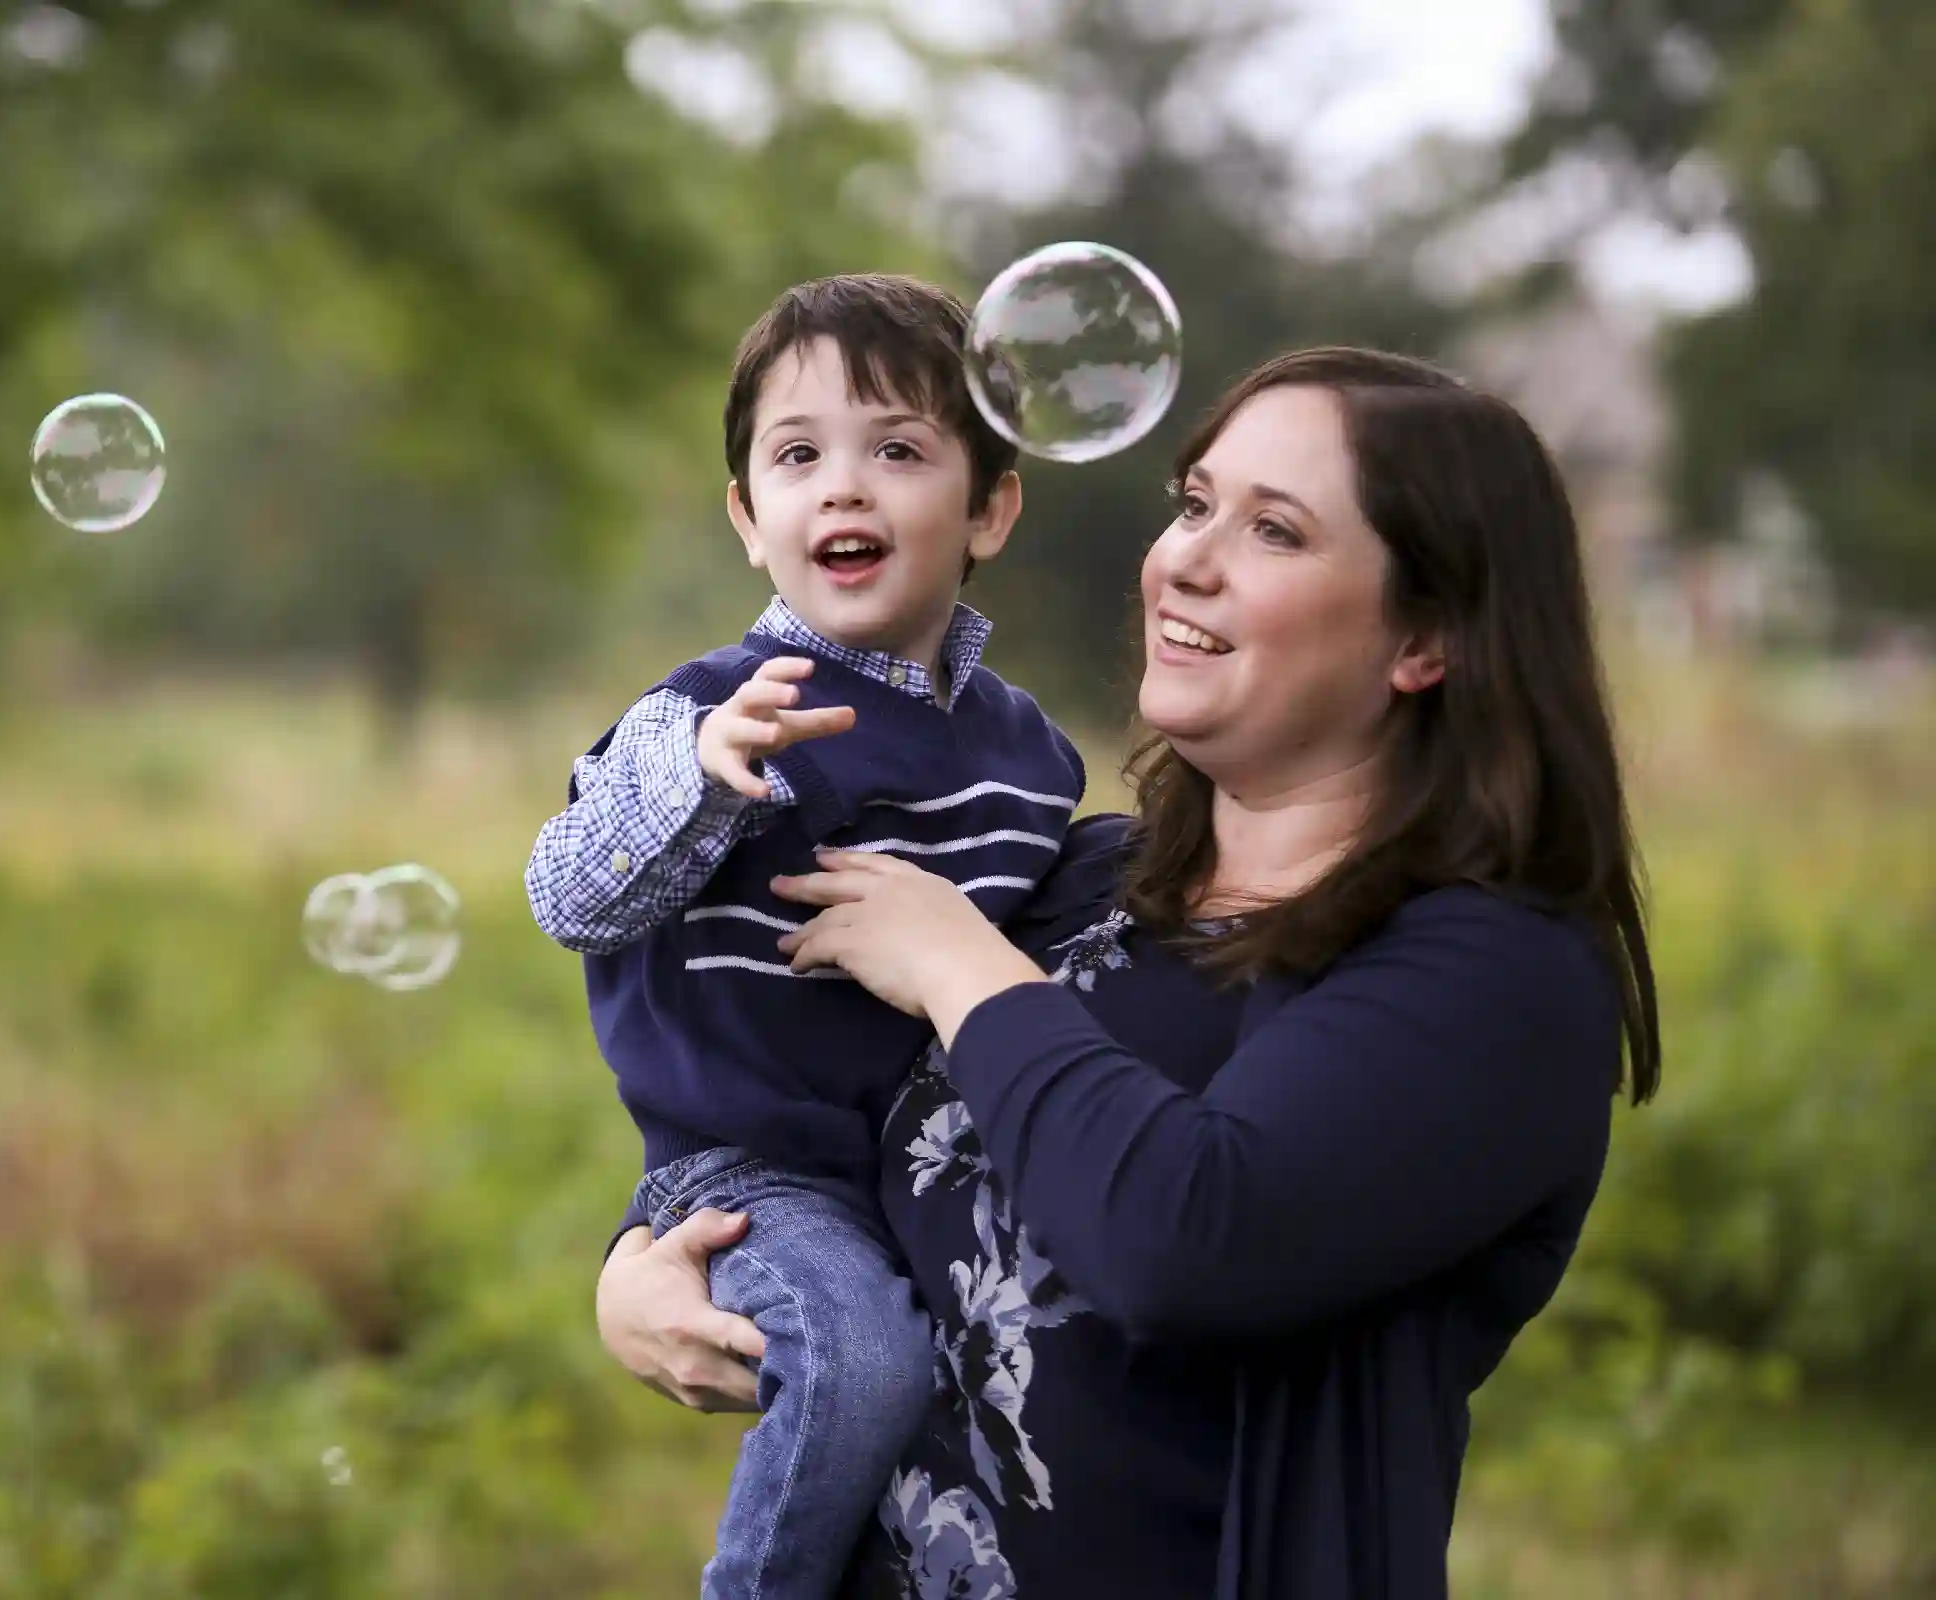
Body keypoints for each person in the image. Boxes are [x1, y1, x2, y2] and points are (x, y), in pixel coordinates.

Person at [595, 346, 1663, 1598]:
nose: (1186, 560)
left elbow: (1191, 1236)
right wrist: (652, 1249)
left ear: (1423, 637)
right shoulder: (1073, 882)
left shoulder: (1497, 975)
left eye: (1273, 530)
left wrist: (960, 966)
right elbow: (803, 1078)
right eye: (1195, 501)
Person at [527, 273, 1088, 1598]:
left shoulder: (1031, 756)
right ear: (748, 517)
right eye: (799, 456)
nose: (844, 487)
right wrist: (713, 781)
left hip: (932, 1170)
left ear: (990, 507)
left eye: (898, 450)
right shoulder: (713, 710)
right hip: (751, 1169)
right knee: (861, 1357)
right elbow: (569, 897)